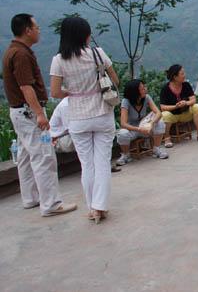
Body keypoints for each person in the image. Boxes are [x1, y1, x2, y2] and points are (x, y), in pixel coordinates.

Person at [2, 13, 77, 217]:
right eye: (36, 27)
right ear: (27, 30)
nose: (38, 30)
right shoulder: (21, 54)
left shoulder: (12, 51)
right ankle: (51, 204)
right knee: (44, 156)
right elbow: (26, 87)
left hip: (19, 113)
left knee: (26, 156)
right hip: (29, 114)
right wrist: (39, 114)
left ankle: (30, 197)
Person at [50, 16, 118, 223]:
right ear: (85, 35)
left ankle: (92, 208)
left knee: (87, 165)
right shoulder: (98, 53)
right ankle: (100, 207)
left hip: (78, 118)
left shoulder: (59, 60)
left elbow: (55, 92)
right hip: (103, 113)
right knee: (102, 163)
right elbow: (115, 80)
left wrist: (74, 92)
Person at [48, 97, 121, 173]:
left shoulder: (80, 100)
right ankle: (98, 167)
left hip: (70, 134)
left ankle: (102, 165)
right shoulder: (66, 105)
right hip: (58, 139)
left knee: (97, 134)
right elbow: (72, 128)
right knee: (89, 137)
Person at [116, 79, 169, 165]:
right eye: (142, 88)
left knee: (160, 122)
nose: (145, 89)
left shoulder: (146, 97)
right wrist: (139, 129)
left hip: (145, 127)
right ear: (135, 92)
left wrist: (151, 124)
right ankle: (126, 155)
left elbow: (158, 113)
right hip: (132, 129)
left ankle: (156, 149)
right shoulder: (126, 101)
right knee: (122, 133)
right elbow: (123, 124)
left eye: (144, 87)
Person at [160, 64, 198, 146]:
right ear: (175, 77)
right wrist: (176, 106)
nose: (184, 75)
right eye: (182, 74)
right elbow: (163, 107)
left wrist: (185, 103)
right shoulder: (165, 88)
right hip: (173, 116)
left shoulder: (186, 85)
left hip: (185, 114)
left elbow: (193, 100)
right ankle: (167, 138)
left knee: (196, 107)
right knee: (165, 115)